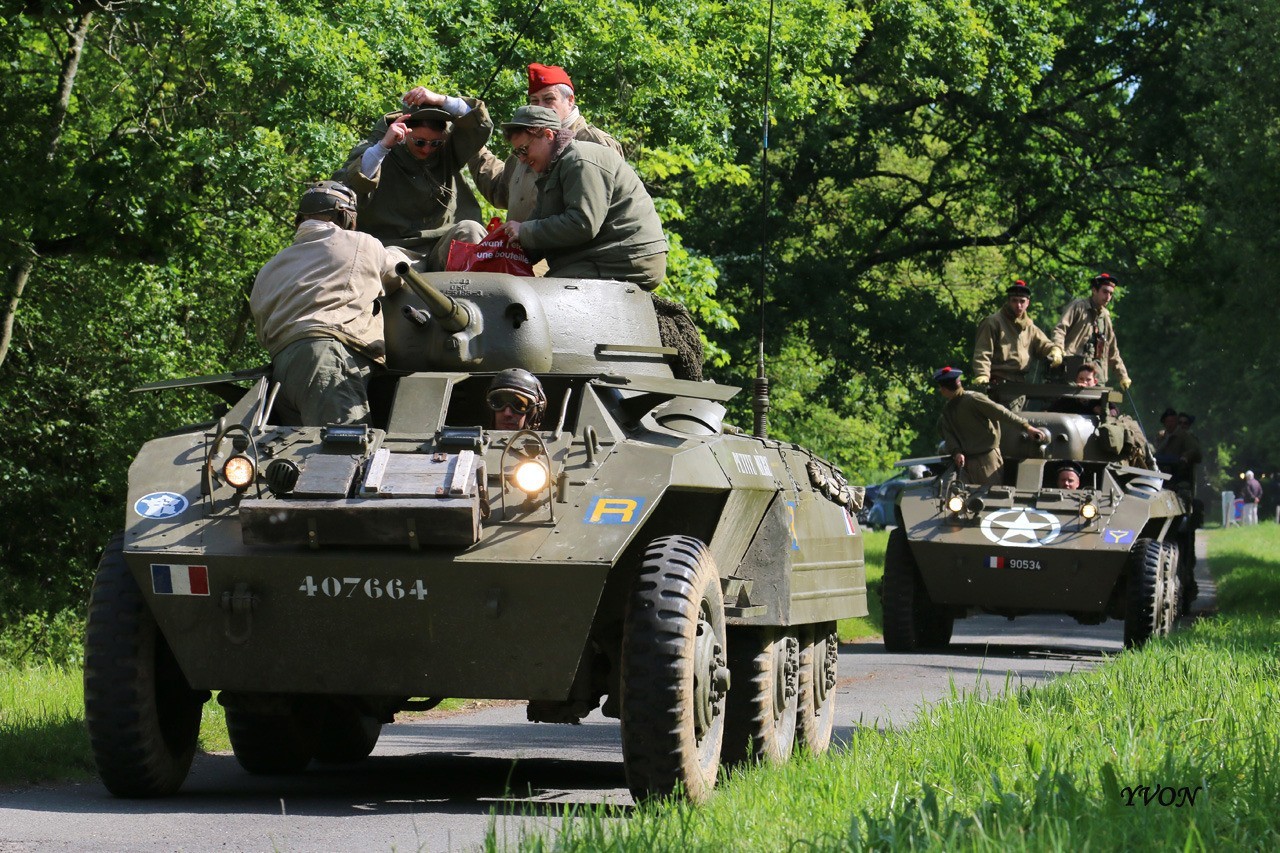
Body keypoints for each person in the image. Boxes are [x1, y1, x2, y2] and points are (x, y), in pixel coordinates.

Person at [250, 181, 409, 426]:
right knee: (344, 453)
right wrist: (404, 254)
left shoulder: (269, 269)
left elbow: (262, 331)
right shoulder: (361, 243)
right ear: (346, 217)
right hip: (326, 360)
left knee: (303, 458)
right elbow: (396, 274)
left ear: (300, 220)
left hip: (281, 370)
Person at [495, 105, 668, 289]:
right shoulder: (552, 170)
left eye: (524, 149)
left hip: (629, 259)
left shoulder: (579, 160)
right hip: (599, 256)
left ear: (548, 135)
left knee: (545, 296)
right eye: (517, 153)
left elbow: (582, 224)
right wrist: (500, 251)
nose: (521, 159)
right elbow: (539, 227)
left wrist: (524, 231)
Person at [338, 87, 493, 271]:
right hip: (398, 249)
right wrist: (383, 147)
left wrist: (441, 100)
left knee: (471, 230)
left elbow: (480, 125)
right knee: (387, 267)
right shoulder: (377, 150)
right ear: (403, 135)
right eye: (419, 142)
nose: (427, 149)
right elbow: (351, 183)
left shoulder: (447, 150)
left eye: (435, 143)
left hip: (443, 245)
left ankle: (473, 298)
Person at [470, 63, 623, 224]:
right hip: (521, 246)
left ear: (570, 100)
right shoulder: (525, 145)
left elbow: (603, 212)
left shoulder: (593, 142)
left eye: (549, 99)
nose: (541, 107)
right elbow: (499, 190)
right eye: (534, 101)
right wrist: (473, 146)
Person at [932, 366, 1049, 484]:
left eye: (941, 388)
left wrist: (1026, 427)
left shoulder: (974, 399)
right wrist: (956, 452)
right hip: (965, 462)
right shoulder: (948, 410)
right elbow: (949, 435)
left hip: (987, 459)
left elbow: (1002, 413)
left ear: (945, 389)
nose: (941, 391)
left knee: (990, 496)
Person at [971, 279, 1063, 401]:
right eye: (1014, 301)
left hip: (1020, 386)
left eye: (1022, 301)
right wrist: (982, 374)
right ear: (1008, 301)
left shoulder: (1030, 327)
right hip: (998, 384)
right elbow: (983, 351)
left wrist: (1055, 349)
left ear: (1028, 303)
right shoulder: (993, 322)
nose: (1018, 305)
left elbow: (1044, 344)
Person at [1052, 272, 1131, 389]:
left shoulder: (1105, 316)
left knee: (1101, 407)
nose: (1108, 297)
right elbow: (1060, 329)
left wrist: (1123, 375)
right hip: (1073, 372)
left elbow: (1112, 350)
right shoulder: (1078, 306)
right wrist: (1057, 348)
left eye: (1111, 293)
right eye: (1105, 292)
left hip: (1096, 376)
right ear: (1094, 290)